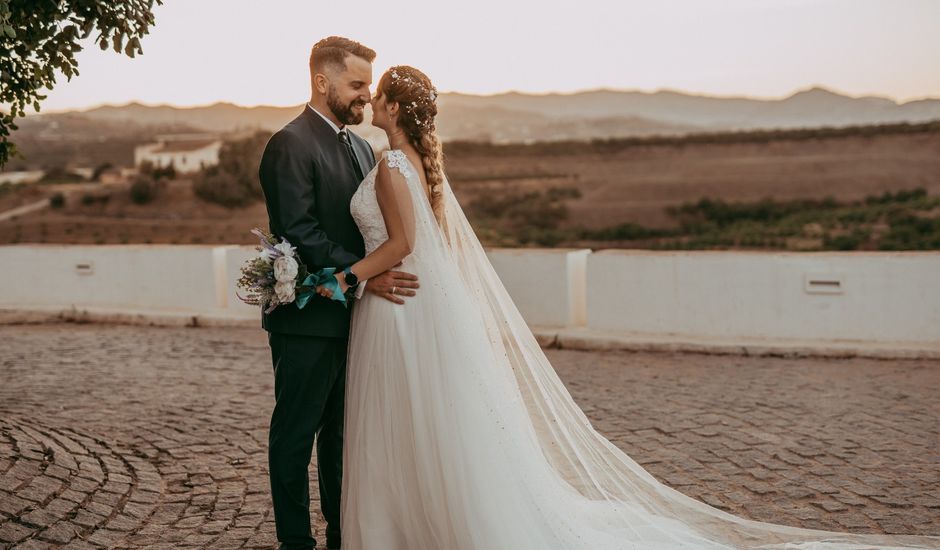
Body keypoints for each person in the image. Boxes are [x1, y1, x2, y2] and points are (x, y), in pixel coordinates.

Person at [314, 64, 940, 550]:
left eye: (379, 95)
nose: (372, 103)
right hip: (415, 300)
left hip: (401, 303)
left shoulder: (393, 160)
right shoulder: (412, 159)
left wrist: (346, 278)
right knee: (427, 420)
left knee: (409, 416)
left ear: (394, 106)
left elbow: (403, 243)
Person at [258, 37, 419, 550]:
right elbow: (299, 230)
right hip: (305, 317)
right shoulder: (290, 143)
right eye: (355, 85)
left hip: (356, 315)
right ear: (322, 82)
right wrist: (366, 275)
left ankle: (341, 533)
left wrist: (371, 277)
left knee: (342, 437)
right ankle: (295, 540)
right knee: (295, 433)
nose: (365, 98)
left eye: (368, 87)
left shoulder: (360, 147)